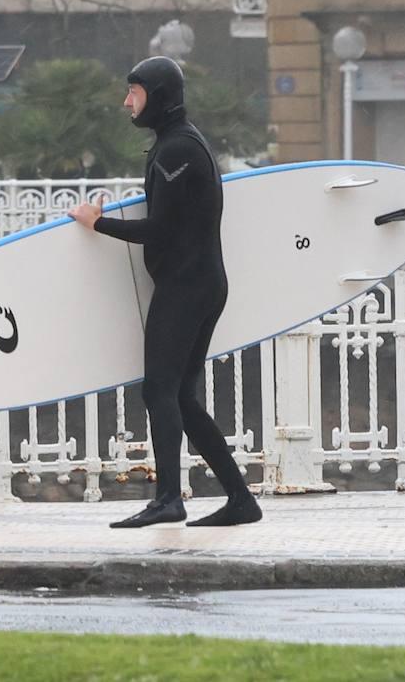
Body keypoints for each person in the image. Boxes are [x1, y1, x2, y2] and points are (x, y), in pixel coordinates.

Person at [69, 57, 261, 529]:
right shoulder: (176, 145)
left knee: (159, 390)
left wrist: (99, 224)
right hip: (198, 282)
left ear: (158, 95)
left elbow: (161, 230)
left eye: (134, 92)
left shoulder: (178, 150)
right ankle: (241, 500)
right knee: (182, 397)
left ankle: (169, 498)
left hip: (187, 286)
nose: (127, 102)